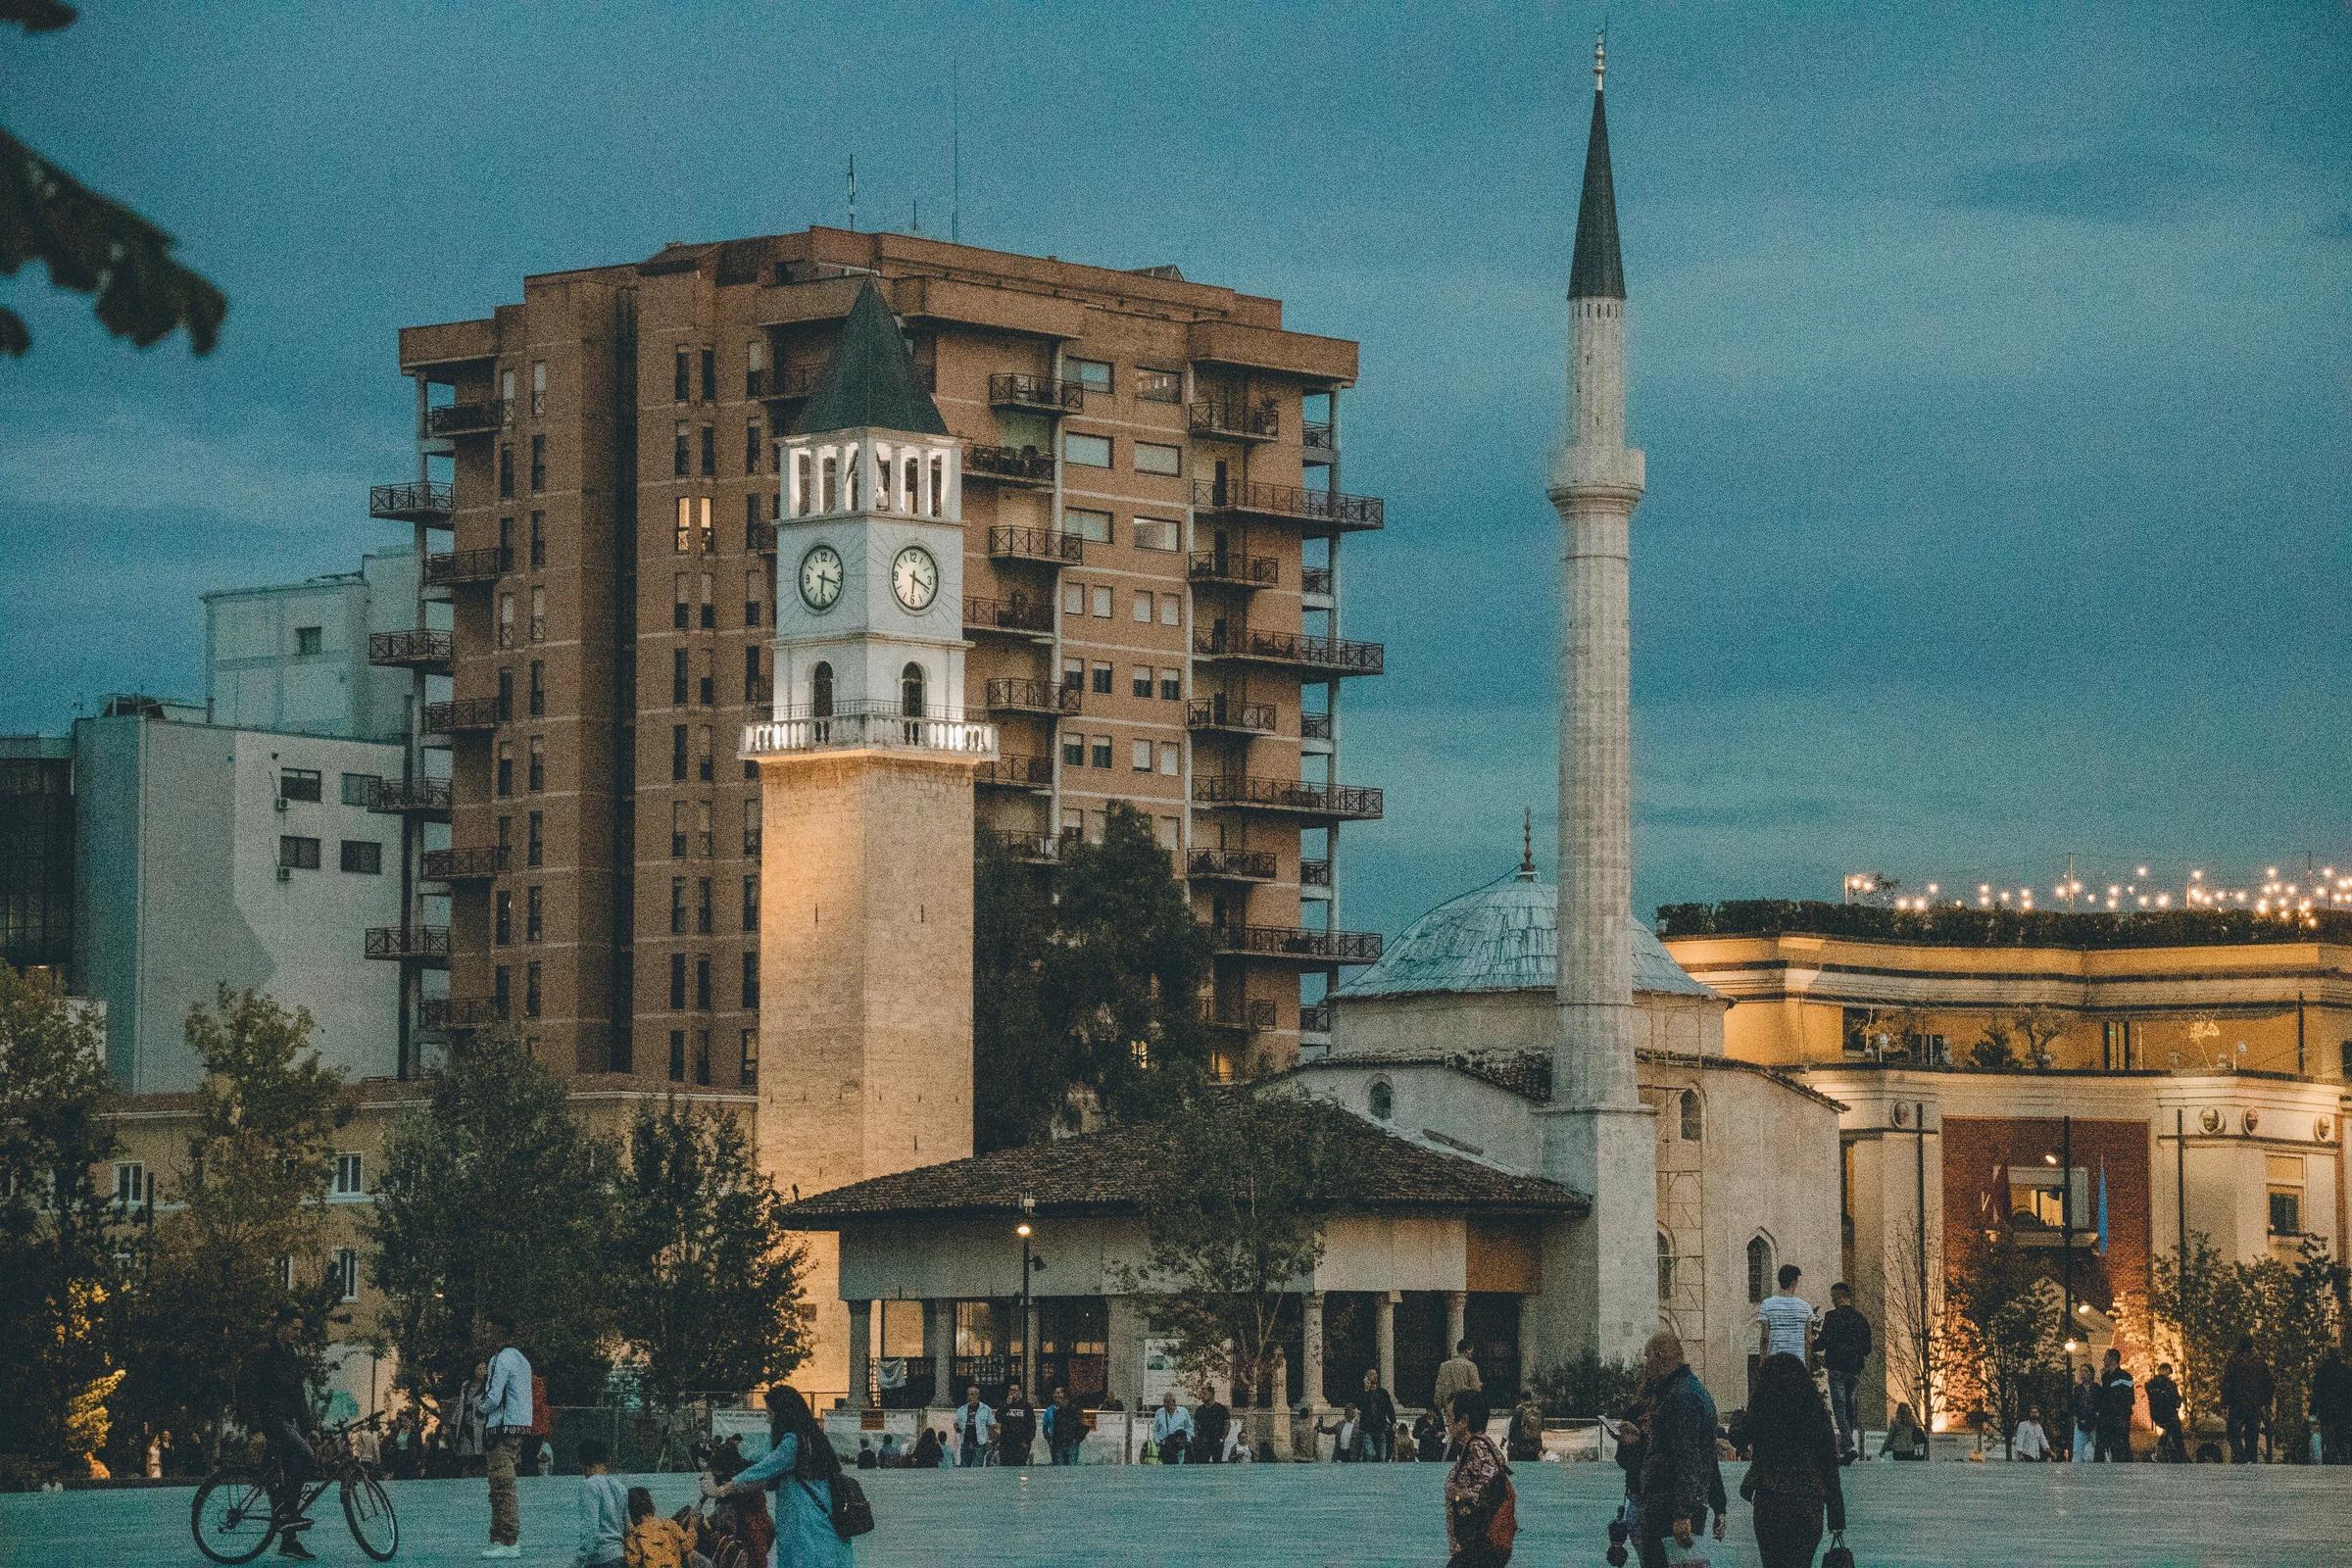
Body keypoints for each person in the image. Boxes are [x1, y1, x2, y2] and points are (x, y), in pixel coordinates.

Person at [709, 1386, 851, 1568]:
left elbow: (762, 1469)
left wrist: (723, 1489)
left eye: (770, 1412)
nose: (768, 1417)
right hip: (821, 1519)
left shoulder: (792, 1442)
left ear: (782, 1413)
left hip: (804, 1519)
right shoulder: (813, 1438)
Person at [1738, 1352, 1846, 1568]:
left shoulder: (1764, 1409)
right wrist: (1836, 1516)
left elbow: (1740, 1437)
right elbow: (1829, 1467)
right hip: (1808, 1503)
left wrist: (1738, 1419)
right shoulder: (1816, 1414)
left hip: (1771, 1501)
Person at [1634, 1331, 1724, 1568]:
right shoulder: (1695, 1391)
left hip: (1668, 1504)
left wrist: (1681, 1513)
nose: (1646, 1365)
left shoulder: (1679, 1397)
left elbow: (1687, 1457)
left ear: (1659, 1356)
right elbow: (1706, 1454)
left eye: (1647, 1357)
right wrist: (1718, 1504)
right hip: (1686, 1502)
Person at [249, 1305, 319, 1561]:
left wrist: (309, 1427)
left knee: (289, 1474)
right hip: (270, 1420)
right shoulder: (264, 1353)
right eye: (295, 1329)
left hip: (285, 1421)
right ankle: (288, 1513)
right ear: (281, 1327)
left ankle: (288, 1539)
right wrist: (256, 1428)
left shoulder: (291, 1355)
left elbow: (298, 1396)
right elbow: (248, 1391)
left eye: (301, 1330)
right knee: (305, 1455)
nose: (298, 1334)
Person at [478, 1315, 534, 1559]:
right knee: (503, 1484)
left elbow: (493, 1396)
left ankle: (508, 1540)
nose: (486, 1336)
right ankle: (499, 1537)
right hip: (519, 1428)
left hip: (500, 1430)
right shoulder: (522, 1360)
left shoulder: (499, 1359)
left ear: (501, 1334)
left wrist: (478, 1409)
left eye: (490, 1331)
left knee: (501, 1486)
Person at [1442, 1390, 1513, 1568]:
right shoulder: (1481, 1446)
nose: (1448, 1423)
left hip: (1481, 1547)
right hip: (1481, 1547)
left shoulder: (1477, 1448)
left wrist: (1456, 1494)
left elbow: (1484, 1496)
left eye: (1450, 1417)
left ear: (1464, 1421)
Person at [1815, 1282, 1872, 1463]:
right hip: (1854, 1369)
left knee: (1839, 1407)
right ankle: (1849, 1446)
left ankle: (1848, 1445)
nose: (1831, 1301)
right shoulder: (1860, 1318)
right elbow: (1867, 1347)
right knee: (1850, 1406)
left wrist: (1809, 1343)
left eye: (1832, 1297)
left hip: (1837, 1368)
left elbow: (1822, 1342)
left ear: (1838, 1297)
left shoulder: (1831, 1317)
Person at [571, 1438, 627, 1568]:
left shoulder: (589, 1486)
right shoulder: (620, 1486)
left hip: (600, 1558)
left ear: (584, 1465)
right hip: (619, 1556)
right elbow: (627, 1526)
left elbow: (590, 1528)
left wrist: (578, 1561)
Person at [2221, 1336, 2274, 1462]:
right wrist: (2266, 1402)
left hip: (2237, 1403)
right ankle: (2251, 1461)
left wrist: (2224, 1403)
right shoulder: (2260, 1361)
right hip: (2254, 1404)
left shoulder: (2233, 1361)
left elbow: (2227, 1383)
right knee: (2252, 1436)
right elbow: (2268, 1383)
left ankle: (2241, 1458)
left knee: (2233, 1434)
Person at [1755, 1264, 1816, 1367]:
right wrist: (1808, 1367)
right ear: (1793, 1283)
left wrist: (1762, 1361)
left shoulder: (1766, 1304)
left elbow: (1765, 1337)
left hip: (1775, 1361)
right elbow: (1808, 1340)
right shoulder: (1805, 1307)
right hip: (1798, 1363)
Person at [621, 1486, 694, 1568]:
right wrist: (692, 1527)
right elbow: (687, 1546)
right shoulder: (670, 1524)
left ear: (630, 1511)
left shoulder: (634, 1535)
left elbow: (632, 1563)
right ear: (651, 1505)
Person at [2310, 1347, 2352, 1464]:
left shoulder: (2322, 1371)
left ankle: (2329, 1465)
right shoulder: (2346, 1371)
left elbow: (2317, 1392)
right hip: (2344, 1412)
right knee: (2343, 1441)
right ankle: (2345, 1464)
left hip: (2327, 1411)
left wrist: (2313, 1410)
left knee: (2329, 1442)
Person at [2094, 1348, 2135, 1461]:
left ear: (2112, 1358)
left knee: (2120, 1448)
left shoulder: (2126, 1376)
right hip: (2106, 1418)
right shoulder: (2105, 1376)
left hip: (2119, 1419)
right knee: (2102, 1448)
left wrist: (2118, 1413)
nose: (2103, 1360)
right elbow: (2103, 1396)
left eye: (2105, 1357)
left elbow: (2129, 1398)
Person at [1434, 1339, 1483, 1433]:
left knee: (1452, 1433)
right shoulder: (1471, 1366)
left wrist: (1437, 1406)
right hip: (1466, 1407)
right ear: (1467, 1350)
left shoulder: (1444, 1366)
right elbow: (1476, 1389)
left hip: (1449, 1406)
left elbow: (1439, 1388)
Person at [2144, 1363, 2186, 1462]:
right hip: (2169, 1415)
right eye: (2168, 1373)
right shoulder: (2170, 1384)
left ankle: (2160, 1449)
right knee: (2176, 1432)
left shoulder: (2150, 1384)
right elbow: (2177, 1402)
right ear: (2166, 1370)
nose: (2169, 1375)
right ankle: (2180, 1456)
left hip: (2156, 1416)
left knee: (2168, 1430)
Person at [953, 1385, 994, 1468]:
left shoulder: (986, 1409)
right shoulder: (961, 1410)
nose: (970, 1397)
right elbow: (957, 1425)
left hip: (979, 1444)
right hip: (965, 1443)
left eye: (973, 1394)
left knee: (977, 1469)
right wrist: (956, 1427)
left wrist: (989, 1441)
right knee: (964, 1469)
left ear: (978, 1395)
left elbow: (992, 1426)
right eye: (968, 1394)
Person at [1360, 1369, 1397, 1462]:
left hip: (1380, 1428)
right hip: (1367, 1429)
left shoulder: (1382, 1392)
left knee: (1382, 1457)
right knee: (1370, 1453)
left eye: (1375, 1374)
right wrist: (1366, 1390)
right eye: (1371, 1375)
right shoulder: (1364, 1393)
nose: (1374, 1376)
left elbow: (1389, 1407)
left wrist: (1393, 1422)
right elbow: (1361, 1405)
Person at [1151, 1389, 1195, 1464]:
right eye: (1164, 1402)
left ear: (1174, 1402)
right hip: (1165, 1446)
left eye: (1168, 1402)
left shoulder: (1183, 1411)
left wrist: (1187, 1440)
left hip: (1180, 1446)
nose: (1165, 1404)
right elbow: (1154, 1430)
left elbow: (1189, 1427)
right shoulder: (1159, 1412)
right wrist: (1158, 1441)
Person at [998, 1385, 1038, 1467]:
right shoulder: (1004, 1405)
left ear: (1019, 1392)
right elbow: (998, 1418)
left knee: (1020, 1468)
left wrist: (1027, 1441)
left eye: (1016, 1390)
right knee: (1005, 1468)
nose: (1013, 1392)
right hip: (1006, 1444)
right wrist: (1006, 1405)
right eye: (1011, 1390)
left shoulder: (1026, 1407)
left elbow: (1032, 1425)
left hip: (1021, 1444)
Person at [2067, 1364, 2099, 1462]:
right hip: (2081, 1423)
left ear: (2091, 1374)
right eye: (2081, 1371)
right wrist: (2079, 1417)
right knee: (2077, 1451)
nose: (2083, 1374)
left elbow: (2100, 1404)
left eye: (2085, 1371)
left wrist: (2095, 1415)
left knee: (2097, 1449)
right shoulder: (2077, 1389)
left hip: (2094, 1423)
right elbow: (2074, 1406)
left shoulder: (2097, 1388)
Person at [1043, 1387, 1083, 1465]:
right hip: (1057, 1443)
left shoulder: (1074, 1409)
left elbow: (1081, 1426)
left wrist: (1076, 1439)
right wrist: (1050, 1440)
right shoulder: (1051, 1410)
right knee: (1059, 1467)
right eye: (1057, 1393)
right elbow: (1045, 1427)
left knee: (1071, 1466)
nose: (1059, 1396)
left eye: (1061, 1393)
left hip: (1071, 1443)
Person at [1193, 1390, 1232, 1464]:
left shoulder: (1221, 1409)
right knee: (1203, 1463)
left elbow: (1227, 1425)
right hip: (1203, 1441)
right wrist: (1197, 1438)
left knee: (1217, 1463)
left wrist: (1222, 1438)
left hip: (1217, 1441)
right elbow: (1195, 1425)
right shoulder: (1200, 1409)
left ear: (1211, 1395)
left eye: (1204, 1394)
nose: (1202, 1396)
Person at [1504, 1394, 1544, 1462]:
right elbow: (1541, 1427)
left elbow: (1512, 1428)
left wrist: (1510, 1442)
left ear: (1521, 1399)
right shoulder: (1537, 1411)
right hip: (1535, 1446)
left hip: (1521, 1446)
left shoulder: (1519, 1411)